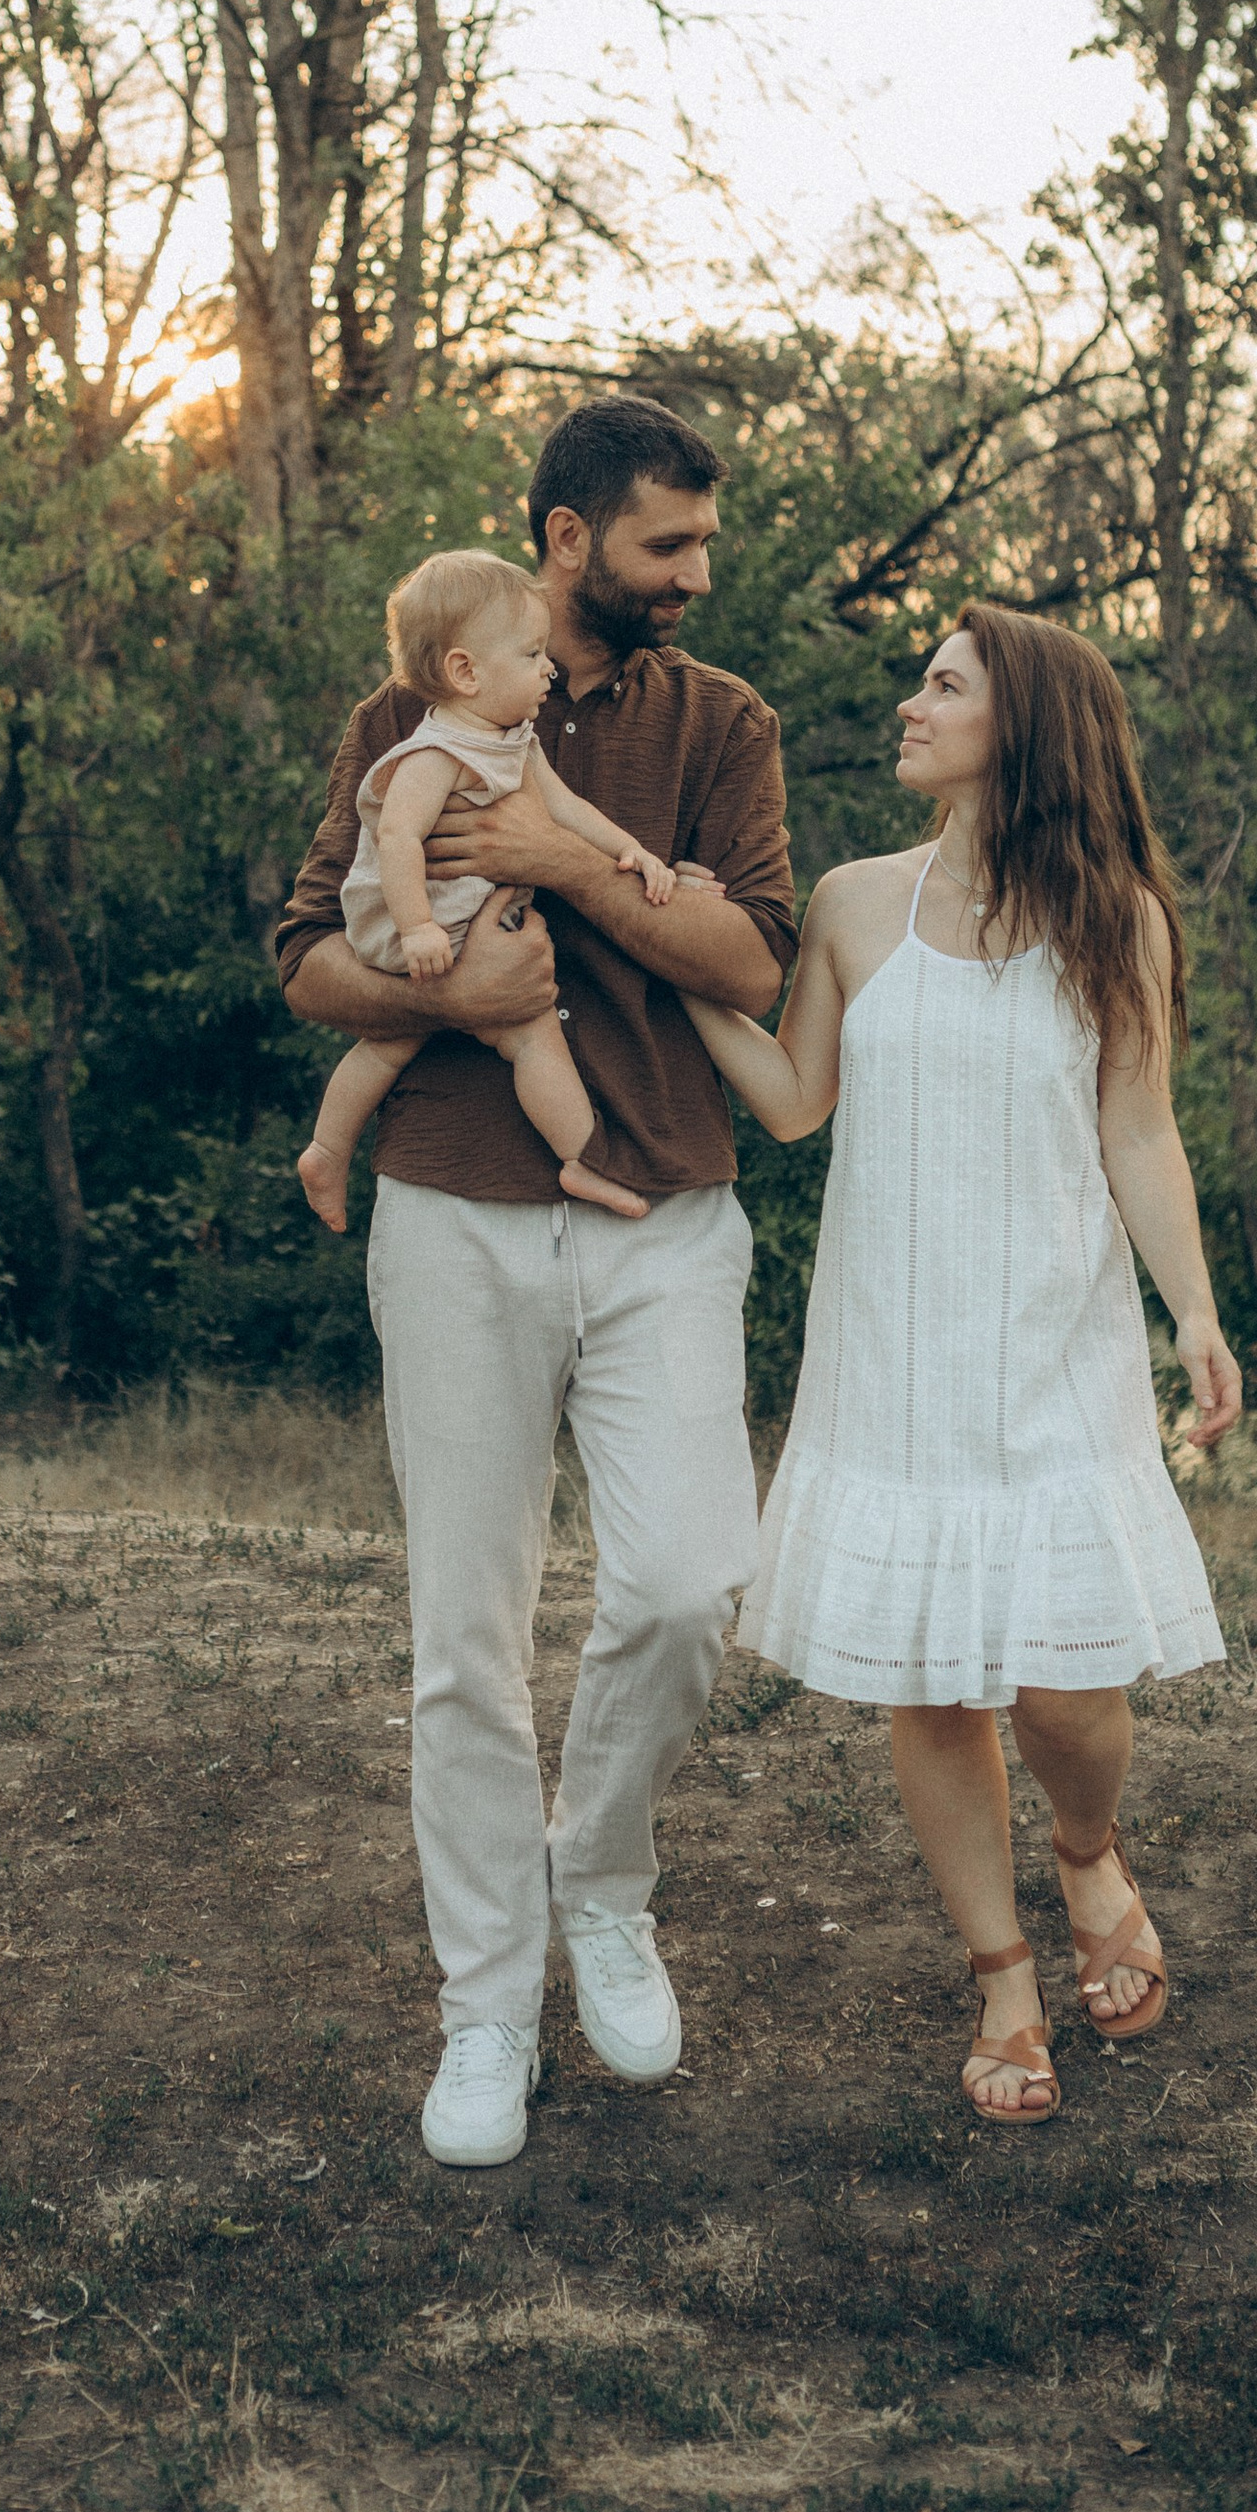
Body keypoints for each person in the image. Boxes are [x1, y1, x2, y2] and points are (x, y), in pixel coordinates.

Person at [277, 399, 797, 2168]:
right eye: (668, 547)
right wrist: (457, 997)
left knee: (676, 1590)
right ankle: (487, 2005)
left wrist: (573, 862)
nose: (695, 577)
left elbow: (756, 959)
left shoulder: (721, 722)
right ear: (569, 541)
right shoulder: (407, 716)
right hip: (454, 1211)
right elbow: (305, 961)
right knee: (466, 1644)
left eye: (700, 547)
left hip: (666, 1213)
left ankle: (605, 1886)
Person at [684, 606, 1239, 2126]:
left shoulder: (1119, 918)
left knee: (1070, 1688)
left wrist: (1193, 1310)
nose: (911, 705)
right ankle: (1003, 1974)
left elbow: (1139, 1130)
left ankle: (1084, 1850)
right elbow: (797, 1102)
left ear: (1027, 727)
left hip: (1057, 1351)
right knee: (931, 1685)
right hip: (897, 1360)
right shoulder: (858, 906)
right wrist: (681, 978)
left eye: (945, 685)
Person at [297, 550, 678, 1234]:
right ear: (465, 673)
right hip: (412, 922)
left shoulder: (512, 741)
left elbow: (566, 811)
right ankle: (576, 1155)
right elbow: (397, 841)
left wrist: (631, 851)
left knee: (420, 1041)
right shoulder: (434, 753)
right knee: (492, 1034)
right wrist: (418, 928)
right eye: (532, 654)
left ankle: (333, 1151)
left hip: (464, 924)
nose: (549, 668)